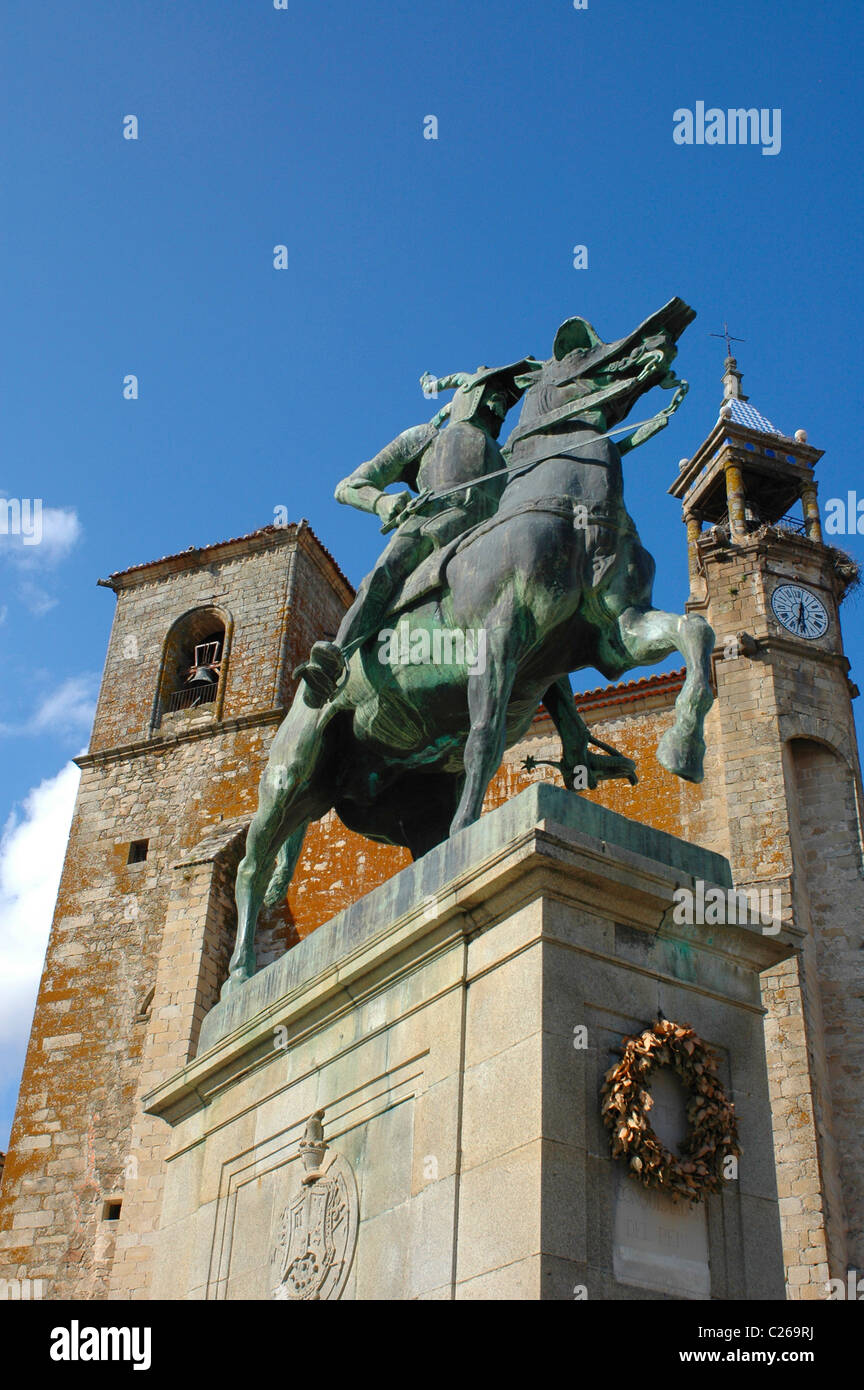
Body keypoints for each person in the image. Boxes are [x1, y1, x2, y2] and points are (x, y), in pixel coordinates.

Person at [295, 358, 538, 706]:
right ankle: (333, 661)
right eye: (494, 396)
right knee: (383, 575)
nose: (500, 408)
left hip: (491, 537)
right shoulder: (424, 438)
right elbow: (348, 486)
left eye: (505, 402)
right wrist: (381, 502)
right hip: (431, 524)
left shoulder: (507, 458)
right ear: (471, 396)